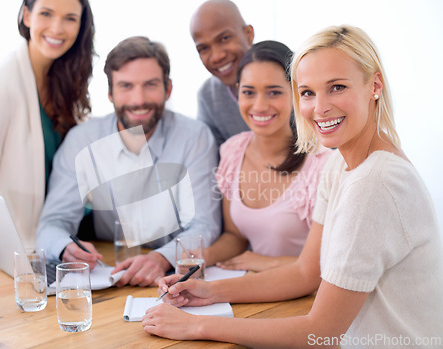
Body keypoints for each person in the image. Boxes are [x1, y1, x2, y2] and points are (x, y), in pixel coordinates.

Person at [141, 25, 443, 347]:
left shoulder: (374, 183)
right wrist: (208, 291)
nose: (319, 107)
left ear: (374, 86)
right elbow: (304, 273)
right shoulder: (342, 163)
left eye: (337, 87)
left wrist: (196, 327)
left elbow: (322, 332)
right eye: (308, 92)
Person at [36, 36, 221, 287]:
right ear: (110, 93)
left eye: (150, 85)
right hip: (107, 271)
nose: (138, 99)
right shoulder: (82, 140)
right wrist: (65, 247)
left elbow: (204, 225)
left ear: (168, 89)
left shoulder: (195, 137)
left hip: (172, 277)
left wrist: (161, 258)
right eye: (126, 86)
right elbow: (53, 222)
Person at [0, 0, 95, 274]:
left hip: (73, 230)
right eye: (46, 14)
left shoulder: (67, 76)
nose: (57, 28)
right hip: (30, 239)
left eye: (70, 18)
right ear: (27, 16)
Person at [206, 41, 332, 272]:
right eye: (248, 92)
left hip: (308, 298)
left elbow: (337, 262)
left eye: (273, 92)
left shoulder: (322, 165)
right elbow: (235, 236)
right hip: (256, 292)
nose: (259, 105)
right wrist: (199, 258)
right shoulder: (233, 151)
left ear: (296, 93)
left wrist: (268, 263)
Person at [190, 0, 254, 148]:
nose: (217, 56)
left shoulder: (293, 74)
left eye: (224, 39)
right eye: (204, 48)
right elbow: (216, 163)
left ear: (248, 35)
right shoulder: (208, 96)